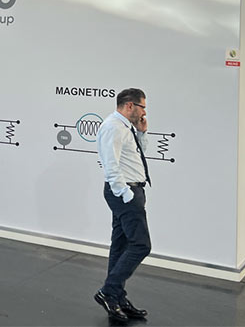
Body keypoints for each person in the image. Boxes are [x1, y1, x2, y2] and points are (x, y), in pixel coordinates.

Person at [93, 88, 151, 323]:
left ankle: (116, 297)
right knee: (141, 245)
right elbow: (111, 165)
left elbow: (135, 157)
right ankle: (109, 291)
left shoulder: (126, 127)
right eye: (142, 107)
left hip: (131, 190)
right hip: (125, 193)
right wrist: (126, 195)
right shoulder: (113, 127)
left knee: (120, 245)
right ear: (130, 105)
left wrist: (142, 134)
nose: (144, 112)